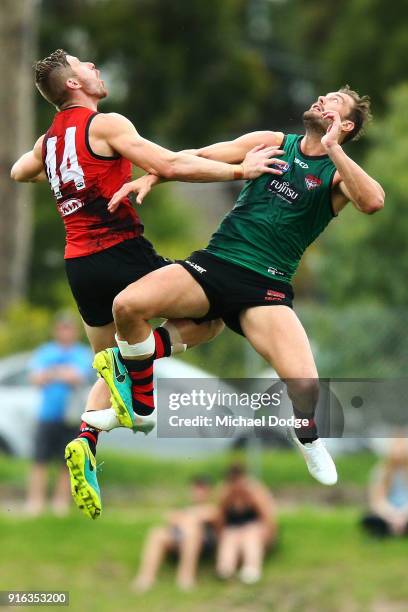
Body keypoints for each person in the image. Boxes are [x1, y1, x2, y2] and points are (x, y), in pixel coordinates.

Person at [10, 49, 283, 519]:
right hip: (120, 253)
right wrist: (240, 171)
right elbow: (171, 165)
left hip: (79, 266)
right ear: (73, 85)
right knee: (212, 316)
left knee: (108, 365)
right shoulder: (108, 125)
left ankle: (86, 440)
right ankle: (145, 368)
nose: (95, 67)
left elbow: (19, 171)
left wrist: (51, 172)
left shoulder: (48, 141)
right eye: (85, 65)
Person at [92, 86, 385, 487]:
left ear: (345, 125)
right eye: (323, 96)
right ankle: (142, 399)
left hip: (267, 286)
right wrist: (153, 177)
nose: (322, 100)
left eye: (334, 102)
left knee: (305, 385)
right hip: (216, 265)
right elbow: (202, 156)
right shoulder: (272, 142)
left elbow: (372, 202)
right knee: (126, 306)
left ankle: (307, 435)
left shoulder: (337, 174)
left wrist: (334, 149)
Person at [25, 313, 92, 516]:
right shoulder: (45, 351)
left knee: (67, 463)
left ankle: (60, 503)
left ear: (75, 331)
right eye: (62, 328)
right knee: (40, 460)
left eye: (69, 328)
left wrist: (51, 373)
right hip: (47, 415)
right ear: (56, 330)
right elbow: (35, 378)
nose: (65, 332)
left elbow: (77, 376)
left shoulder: (83, 353)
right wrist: (61, 373)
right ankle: (35, 502)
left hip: (71, 416)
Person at [131, 475, 218, 591]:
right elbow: (169, 518)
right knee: (156, 532)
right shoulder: (184, 507)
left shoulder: (213, 507)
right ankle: (146, 578)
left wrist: (183, 518)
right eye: (196, 488)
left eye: (202, 489)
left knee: (192, 530)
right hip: (179, 541)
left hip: (203, 543)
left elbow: (208, 516)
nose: (198, 492)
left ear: (209, 491)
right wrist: (181, 518)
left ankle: (185, 578)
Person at [216, 464, 277, 584]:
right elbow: (220, 520)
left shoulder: (255, 491)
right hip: (233, 530)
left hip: (254, 528)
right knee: (230, 537)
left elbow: (267, 518)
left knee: (250, 535)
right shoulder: (224, 493)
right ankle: (226, 568)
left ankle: (251, 568)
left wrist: (268, 537)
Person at [361, 438, 408, 537]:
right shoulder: (381, 471)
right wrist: (392, 515)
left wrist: (403, 515)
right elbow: (378, 500)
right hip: (388, 513)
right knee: (369, 519)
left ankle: (392, 530)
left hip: (405, 512)